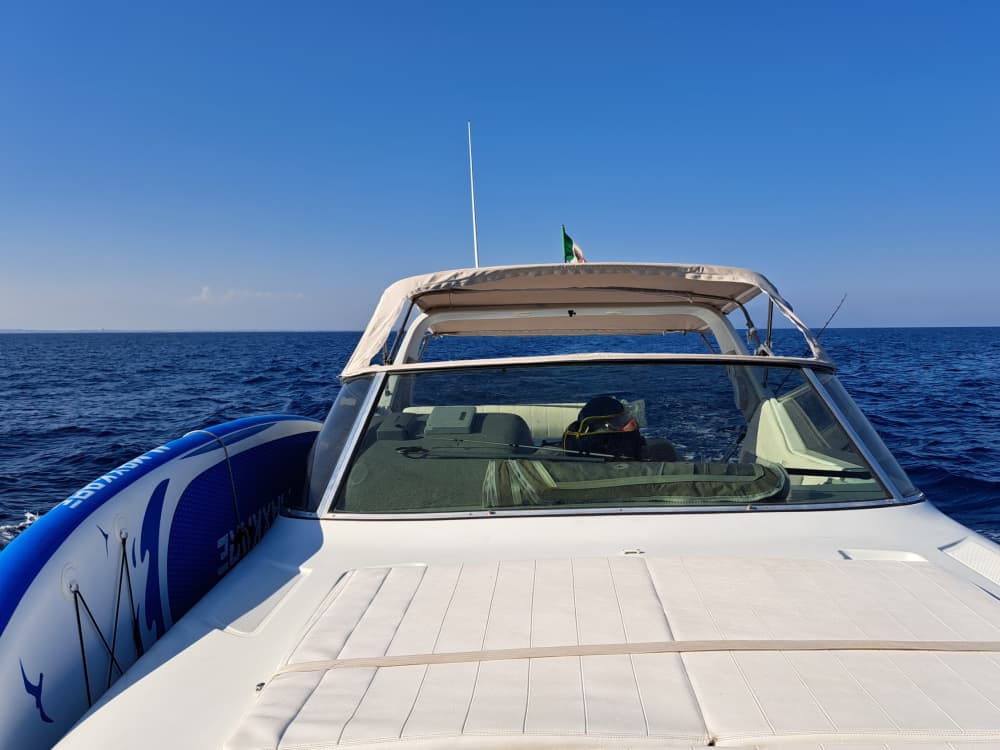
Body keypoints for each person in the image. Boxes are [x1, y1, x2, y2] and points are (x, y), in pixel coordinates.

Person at [562, 395, 677, 461]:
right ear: (605, 429)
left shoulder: (568, 454)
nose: (634, 423)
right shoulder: (662, 454)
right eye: (621, 421)